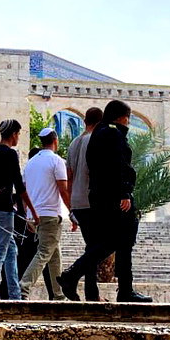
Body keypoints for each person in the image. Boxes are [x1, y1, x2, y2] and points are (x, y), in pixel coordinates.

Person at [58, 100, 152, 303]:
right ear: (123, 117)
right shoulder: (112, 134)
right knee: (117, 240)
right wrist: (124, 193)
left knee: (117, 241)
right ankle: (74, 274)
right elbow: (117, 166)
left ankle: (123, 289)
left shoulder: (99, 134)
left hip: (100, 196)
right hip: (113, 197)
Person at [0, 119, 38, 300]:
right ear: (14, 133)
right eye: (18, 134)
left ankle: (15, 293)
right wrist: (33, 212)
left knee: (11, 250)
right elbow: (19, 186)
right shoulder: (10, 154)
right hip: (3, 211)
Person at [20, 128, 70, 300]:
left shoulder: (31, 163)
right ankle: (24, 287)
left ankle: (58, 294)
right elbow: (63, 190)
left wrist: (28, 214)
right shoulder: (56, 162)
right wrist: (73, 211)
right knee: (43, 253)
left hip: (35, 215)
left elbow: (23, 192)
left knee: (55, 255)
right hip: (50, 214)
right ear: (55, 140)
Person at [65, 108, 102, 301]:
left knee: (92, 246)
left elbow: (69, 176)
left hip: (78, 201)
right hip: (91, 200)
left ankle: (91, 291)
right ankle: (72, 276)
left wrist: (71, 205)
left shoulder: (73, 143)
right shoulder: (95, 139)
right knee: (99, 246)